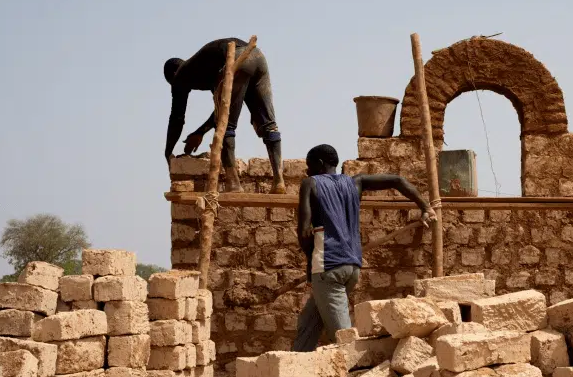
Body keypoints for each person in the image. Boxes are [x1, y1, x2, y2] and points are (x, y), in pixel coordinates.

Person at [292, 144, 436, 351]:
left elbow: (304, 230)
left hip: (328, 265)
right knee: (309, 321)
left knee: (343, 338)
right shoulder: (356, 182)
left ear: (320, 164)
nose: (307, 171)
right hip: (352, 266)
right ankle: (297, 365)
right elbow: (398, 180)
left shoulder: (310, 183)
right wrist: (425, 207)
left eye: (309, 166)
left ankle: (355, 373)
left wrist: (310, 261)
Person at [163, 38, 286, 194]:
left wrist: (168, 151)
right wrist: (200, 132)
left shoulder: (180, 75)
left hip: (236, 57)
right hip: (257, 56)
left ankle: (233, 183)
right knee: (269, 125)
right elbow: (222, 106)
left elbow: (176, 119)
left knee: (226, 125)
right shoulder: (206, 68)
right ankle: (279, 181)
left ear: (172, 75)